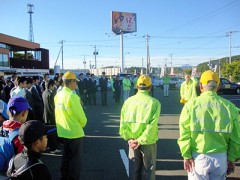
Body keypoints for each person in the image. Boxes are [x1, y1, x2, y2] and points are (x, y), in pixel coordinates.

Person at [177, 70, 240, 179]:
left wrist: (186, 156)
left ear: (201, 86)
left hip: (198, 158)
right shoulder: (229, 107)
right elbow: (236, 137)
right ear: (218, 86)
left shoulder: (190, 105)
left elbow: (184, 134)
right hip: (221, 158)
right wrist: (231, 158)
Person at [119, 75, 161, 180]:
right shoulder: (154, 103)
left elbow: (122, 124)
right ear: (150, 87)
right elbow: (152, 126)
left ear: (137, 86)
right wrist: (140, 140)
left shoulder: (128, 102)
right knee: (149, 171)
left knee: (135, 170)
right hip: (148, 142)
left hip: (132, 142)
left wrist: (130, 139)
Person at [54, 71, 87, 180]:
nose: (76, 84)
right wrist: (83, 124)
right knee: (75, 161)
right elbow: (81, 117)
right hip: (74, 132)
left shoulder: (58, 95)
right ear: (71, 82)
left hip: (63, 131)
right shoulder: (72, 96)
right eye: (75, 82)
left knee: (66, 157)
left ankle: (64, 177)